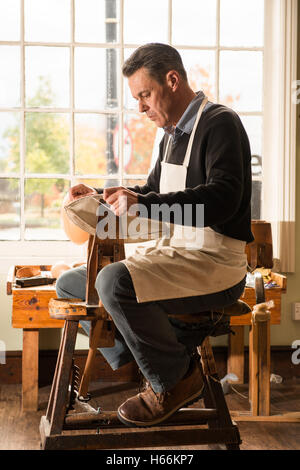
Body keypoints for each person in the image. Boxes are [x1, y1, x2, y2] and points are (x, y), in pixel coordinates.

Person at [56, 43, 253, 427]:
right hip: (175, 258)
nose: (141, 108)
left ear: (173, 80)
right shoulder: (171, 136)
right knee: (71, 284)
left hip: (215, 266)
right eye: (137, 99)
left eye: (144, 95)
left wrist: (143, 204)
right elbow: (149, 193)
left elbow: (222, 200)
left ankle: (173, 380)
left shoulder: (220, 123)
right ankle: (165, 357)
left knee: (112, 281)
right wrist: (98, 195)